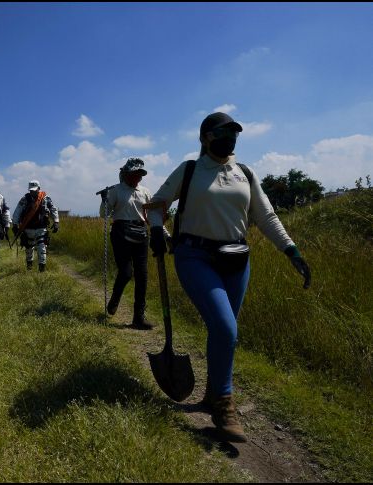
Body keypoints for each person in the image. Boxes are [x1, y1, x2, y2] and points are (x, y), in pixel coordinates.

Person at [146, 112, 311, 443]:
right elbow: (158, 204)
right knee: (226, 327)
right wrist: (156, 230)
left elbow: (265, 215)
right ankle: (223, 404)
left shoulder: (244, 173)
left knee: (224, 332)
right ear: (206, 137)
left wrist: (291, 249)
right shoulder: (190, 170)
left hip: (237, 259)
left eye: (235, 132)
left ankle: (211, 395)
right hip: (195, 256)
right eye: (223, 132)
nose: (231, 138)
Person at [99, 158, 167, 329]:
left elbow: (153, 216)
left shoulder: (145, 192)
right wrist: (104, 200)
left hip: (141, 233)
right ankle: (115, 299)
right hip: (121, 233)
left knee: (142, 275)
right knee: (127, 272)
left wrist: (166, 235)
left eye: (141, 174)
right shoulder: (115, 190)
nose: (139, 177)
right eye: (135, 174)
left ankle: (138, 318)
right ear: (126, 174)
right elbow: (104, 214)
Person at [12, 180, 60, 272]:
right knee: (29, 249)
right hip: (28, 228)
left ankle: (42, 270)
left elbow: (54, 209)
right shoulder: (24, 199)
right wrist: (15, 224)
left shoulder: (46, 198)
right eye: (31, 190)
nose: (33, 192)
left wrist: (56, 222)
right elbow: (17, 211)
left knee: (42, 248)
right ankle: (29, 268)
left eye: (34, 190)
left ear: (39, 188)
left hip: (41, 228)